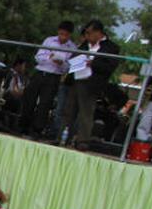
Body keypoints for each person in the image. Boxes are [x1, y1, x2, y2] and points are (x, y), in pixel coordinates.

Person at [61, 20, 120, 149]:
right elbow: (73, 57)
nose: (87, 36)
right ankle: (64, 136)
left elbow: (109, 67)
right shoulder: (84, 45)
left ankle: (82, 140)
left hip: (92, 83)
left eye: (89, 33)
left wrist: (92, 63)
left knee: (86, 112)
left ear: (98, 33)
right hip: (76, 80)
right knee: (69, 110)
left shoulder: (111, 47)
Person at [19, 21, 76, 138]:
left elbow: (68, 67)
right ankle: (23, 127)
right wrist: (49, 57)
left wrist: (61, 63)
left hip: (54, 76)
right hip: (40, 72)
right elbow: (38, 57)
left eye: (65, 35)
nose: (62, 37)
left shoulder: (72, 48)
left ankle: (37, 130)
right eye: (60, 34)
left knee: (45, 104)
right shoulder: (49, 40)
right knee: (29, 99)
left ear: (69, 35)